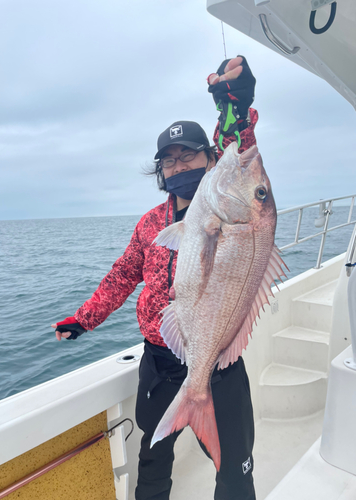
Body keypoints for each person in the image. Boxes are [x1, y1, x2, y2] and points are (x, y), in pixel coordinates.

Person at [52, 56, 258, 500]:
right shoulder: (150, 224)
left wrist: (236, 103)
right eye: (170, 161)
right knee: (152, 465)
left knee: (236, 475)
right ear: (160, 173)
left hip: (217, 364)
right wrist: (84, 319)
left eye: (190, 156)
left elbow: (240, 151)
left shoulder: (229, 207)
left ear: (211, 158)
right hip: (160, 365)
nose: (180, 165)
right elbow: (122, 277)